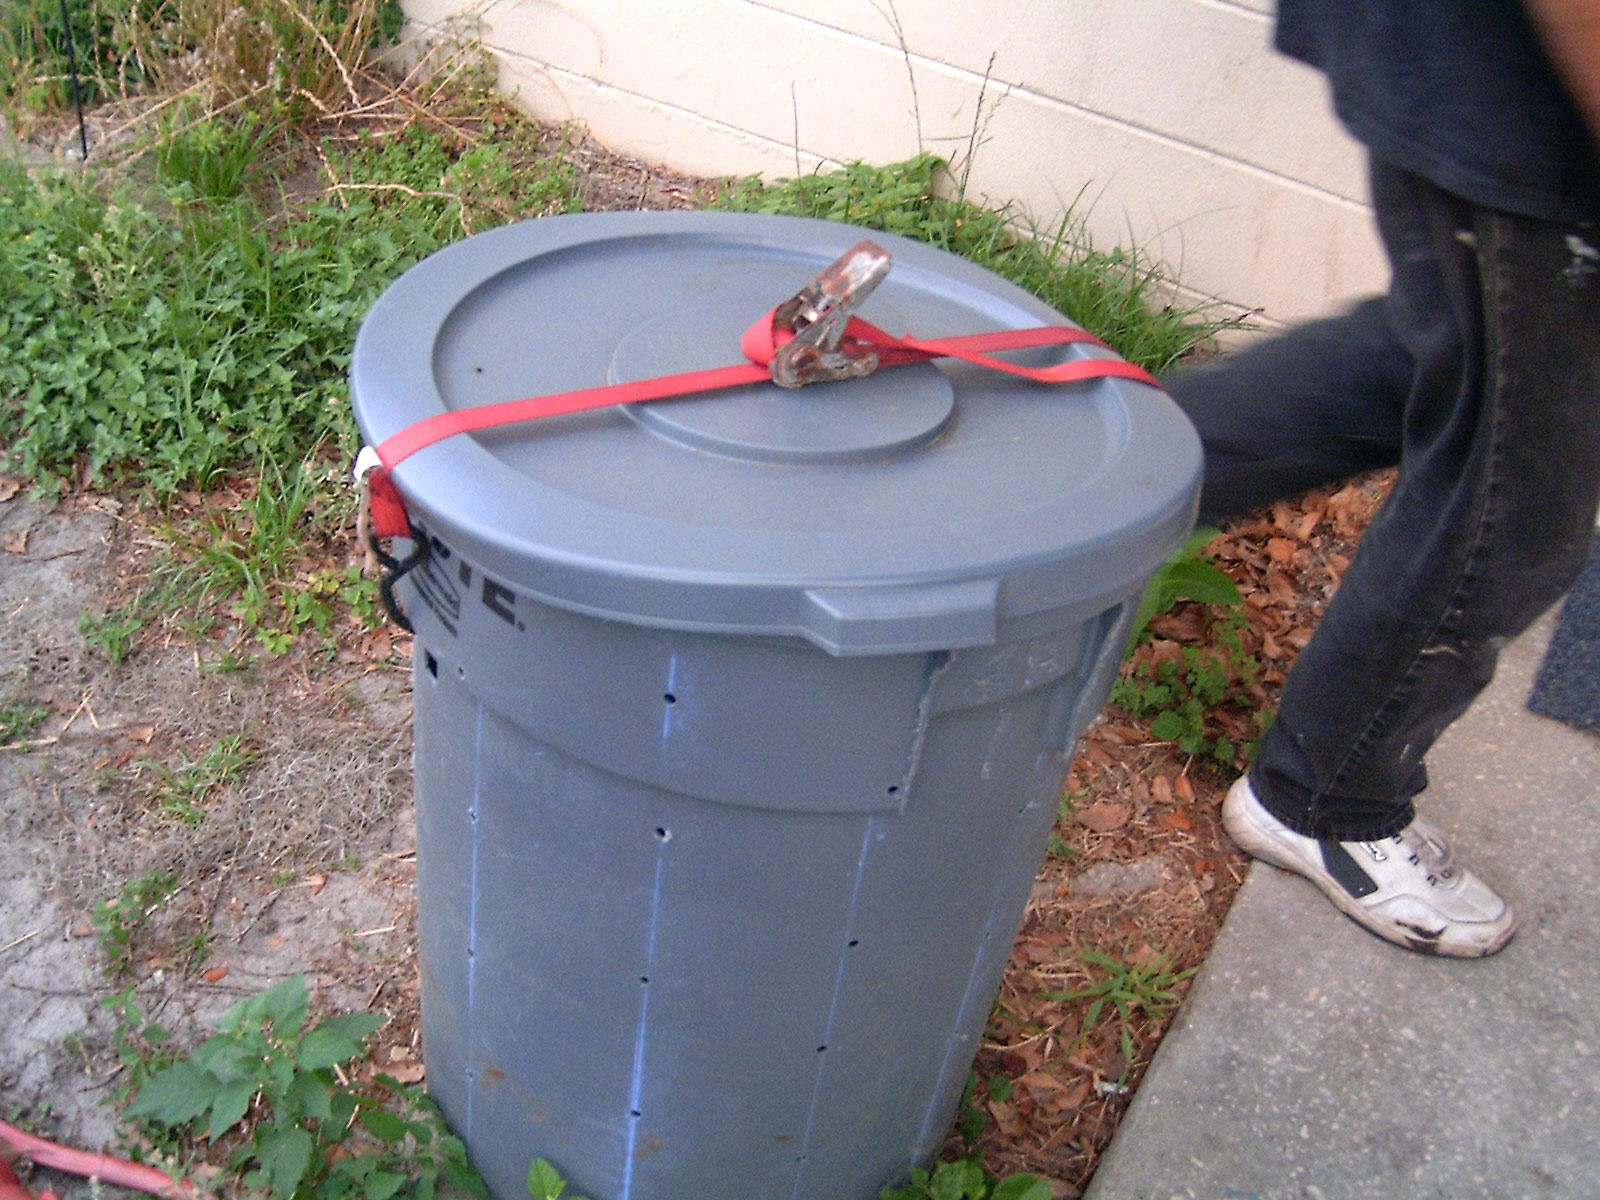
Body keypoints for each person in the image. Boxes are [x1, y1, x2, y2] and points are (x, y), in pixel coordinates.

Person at [1161, 0, 1600, 957]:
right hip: (1532, 91)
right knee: (1517, 503)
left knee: (1446, 355)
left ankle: (1088, 489)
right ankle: (1322, 799)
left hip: (1472, 57)